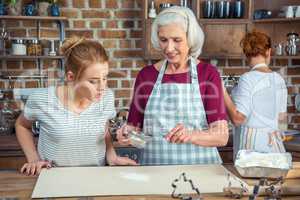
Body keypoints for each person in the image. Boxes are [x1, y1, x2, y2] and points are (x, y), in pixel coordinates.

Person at [117, 6, 229, 165]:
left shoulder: (208, 74)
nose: (169, 48)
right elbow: (136, 133)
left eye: (177, 40)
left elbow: (221, 136)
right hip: (154, 170)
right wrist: (128, 136)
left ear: (190, 39)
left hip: (201, 171)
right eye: (163, 40)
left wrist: (191, 135)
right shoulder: (146, 76)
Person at [15, 36, 137, 176]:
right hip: (52, 178)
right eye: (93, 81)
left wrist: (112, 155)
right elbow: (22, 125)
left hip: (96, 177)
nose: (102, 87)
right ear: (71, 77)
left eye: (105, 78)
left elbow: (104, 129)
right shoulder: (42, 99)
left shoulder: (106, 97)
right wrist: (33, 159)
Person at [223, 30, 288, 158]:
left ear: (246, 54)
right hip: (275, 148)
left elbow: (237, 119)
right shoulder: (279, 79)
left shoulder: (247, 79)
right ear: (268, 52)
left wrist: (222, 91)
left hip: (253, 151)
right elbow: (281, 118)